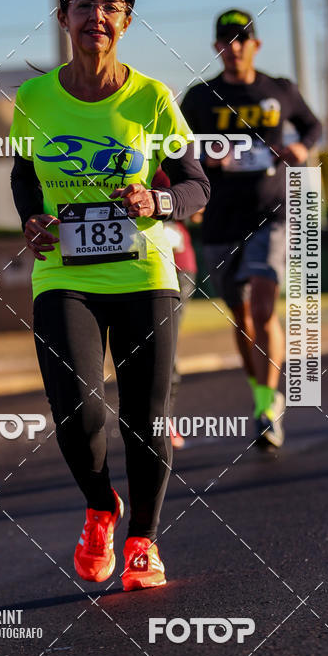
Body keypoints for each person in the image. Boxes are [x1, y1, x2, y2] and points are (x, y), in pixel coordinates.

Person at [10, 0, 210, 590]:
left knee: (147, 415)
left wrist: (159, 203)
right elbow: (23, 173)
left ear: (125, 21)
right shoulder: (34, 98)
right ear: (64, 16)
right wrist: (32, 216)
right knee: (75, 410)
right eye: (84, 4)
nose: (97, 16)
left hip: (143, 272)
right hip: (63, 273)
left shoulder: (152, 97)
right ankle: (101, 506)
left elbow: (195, 185)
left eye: (110, 7)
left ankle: (144, 542)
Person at [181, 9, 321, 449]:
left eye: (242, 39)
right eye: (226, 40)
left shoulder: (279, 90)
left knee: (263, 305)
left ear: (255, 45)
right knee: (241, 317)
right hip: (222, 219)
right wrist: (206, 161)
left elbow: (313, 126)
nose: (235, 46)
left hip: (273, 212)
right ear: (217, 48)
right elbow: (176, 148)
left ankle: (267, 407)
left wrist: (300, 146)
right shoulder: (201, 98)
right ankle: (260, 394)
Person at [151, 167, 198, 449]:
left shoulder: (175, 158)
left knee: (164, 343)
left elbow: (198, 200)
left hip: (176, 265)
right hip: (129, 266)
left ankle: (164, 419)